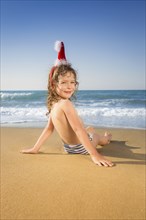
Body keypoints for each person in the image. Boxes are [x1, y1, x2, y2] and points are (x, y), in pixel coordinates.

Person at [21, 41, 114, 167]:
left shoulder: (54, 104)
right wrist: (94, 155)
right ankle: (107, 138)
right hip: (81, 148)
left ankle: (92, 131)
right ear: (54, 85)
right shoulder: (66, 103)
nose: (69, 86)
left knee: (88, 130)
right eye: (64, 82)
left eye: (72, 82)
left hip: (68, 148)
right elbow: (77, 129)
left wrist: (35, 148)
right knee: (96, 136)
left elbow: (49, 129)